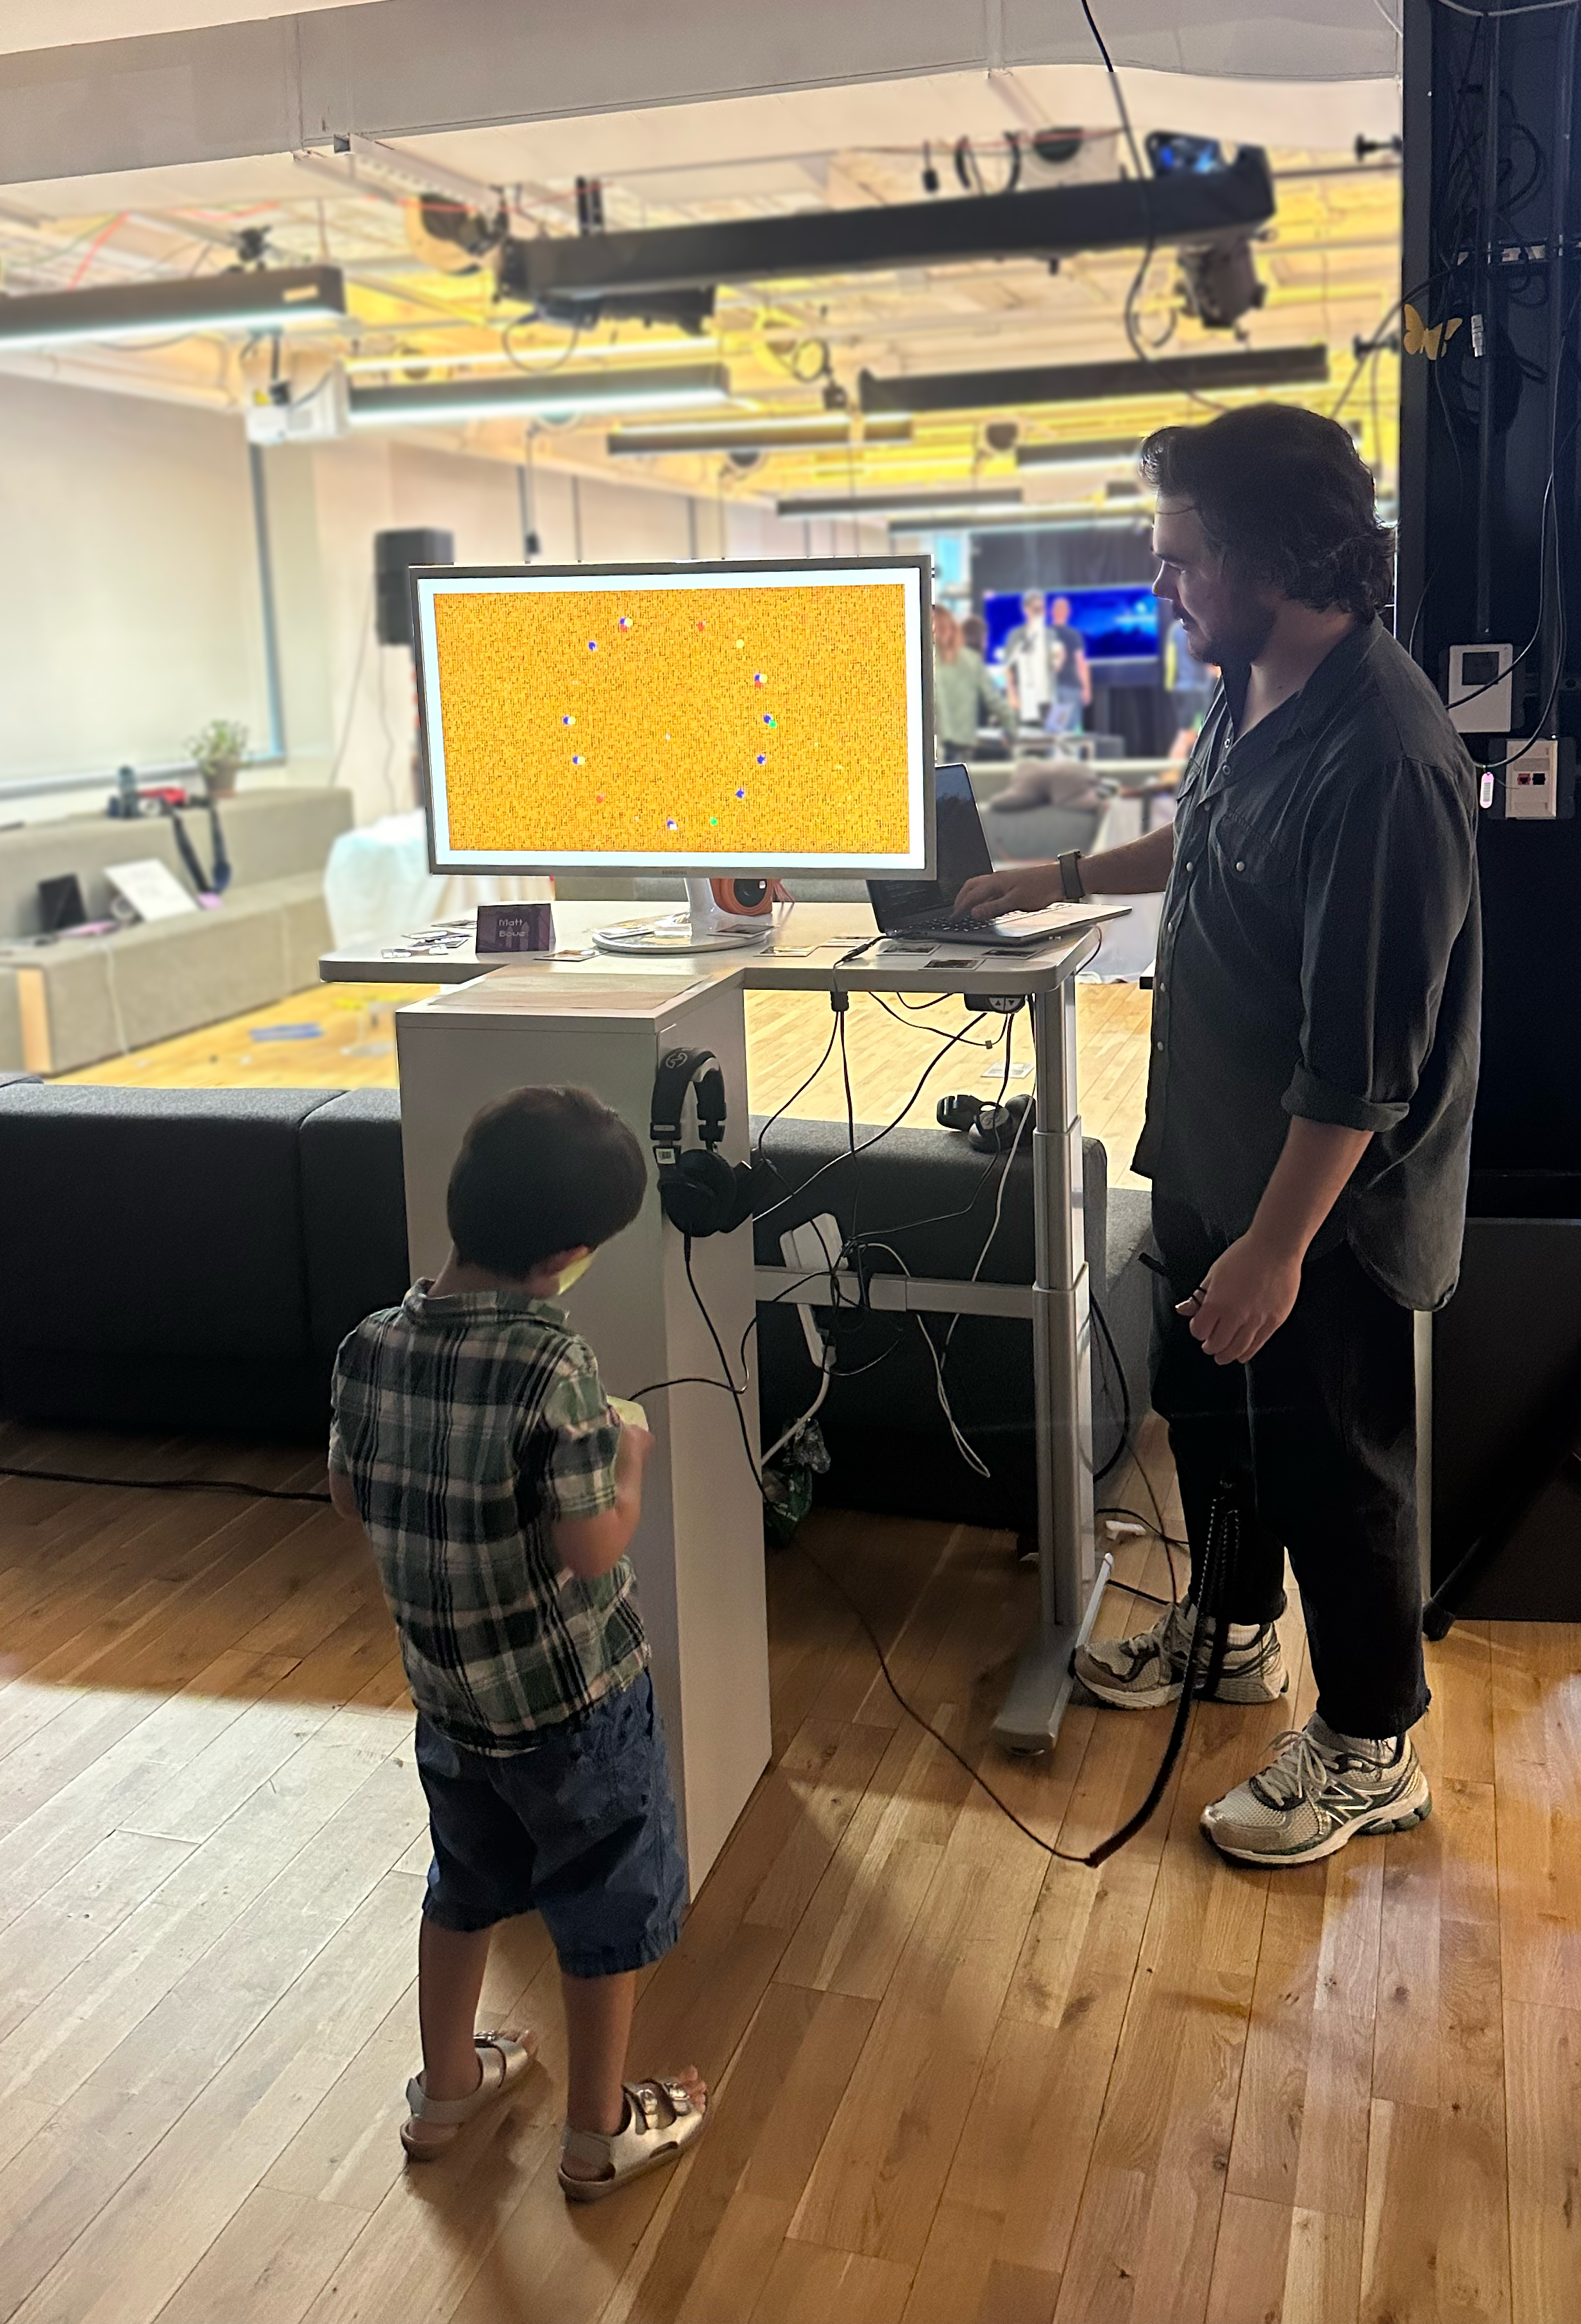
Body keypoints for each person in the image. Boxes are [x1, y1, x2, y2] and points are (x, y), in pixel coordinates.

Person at [956, 403, 1480, 1869]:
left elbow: (1358, 1068)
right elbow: (1204, 828)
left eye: (1180, 558)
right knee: (1213, 1426)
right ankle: (1233, 1631)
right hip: (1209, 1158)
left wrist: (1271, 1250)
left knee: (1334, 1469)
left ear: (1270, 554)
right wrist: (1057, 875)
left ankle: (1368, 1746)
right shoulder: (1251, 681)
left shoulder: (1379, 756)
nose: (1160, 584)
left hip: (1319, 1212)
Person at [328, 1085, 708, 2191]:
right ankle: (597, 2132)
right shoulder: (555, 1365)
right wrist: (628, 1465)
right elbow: (588, 1548)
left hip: (451, 1702)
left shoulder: (368, 1344)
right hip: (576, 1706)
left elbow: (347, 1495)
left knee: (462, 1880)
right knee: (601, 1899)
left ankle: (448, 2085)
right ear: (567, 1258)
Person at [933, 603, 1013, 761]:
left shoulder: (922, 663)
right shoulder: (971, 660)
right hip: (961, 747)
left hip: (940, 748)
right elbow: (995, 702)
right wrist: (1011, 730)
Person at [1001, 589, 1058, 730]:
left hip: (1048, 697)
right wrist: (1012, 694)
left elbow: (1055, 666)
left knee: (1050, 737)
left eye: (1042, 608)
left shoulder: (1050, 634)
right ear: (1026, 610)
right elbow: (1007, 667)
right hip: (1027, 696)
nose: (1040, 612)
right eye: (1036, 608)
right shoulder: (1016, 635)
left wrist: (1059, 659)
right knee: (1028, 736)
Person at [1049, 593, 1093, 728]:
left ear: (1052, 612)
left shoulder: (1045, 635)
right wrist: (1087, 688)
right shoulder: (1074, 635)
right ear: (1068, 613)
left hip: (1050, 687)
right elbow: (1081, 663)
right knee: (1072, 731)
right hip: (1071, 686)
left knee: (1055, 729)